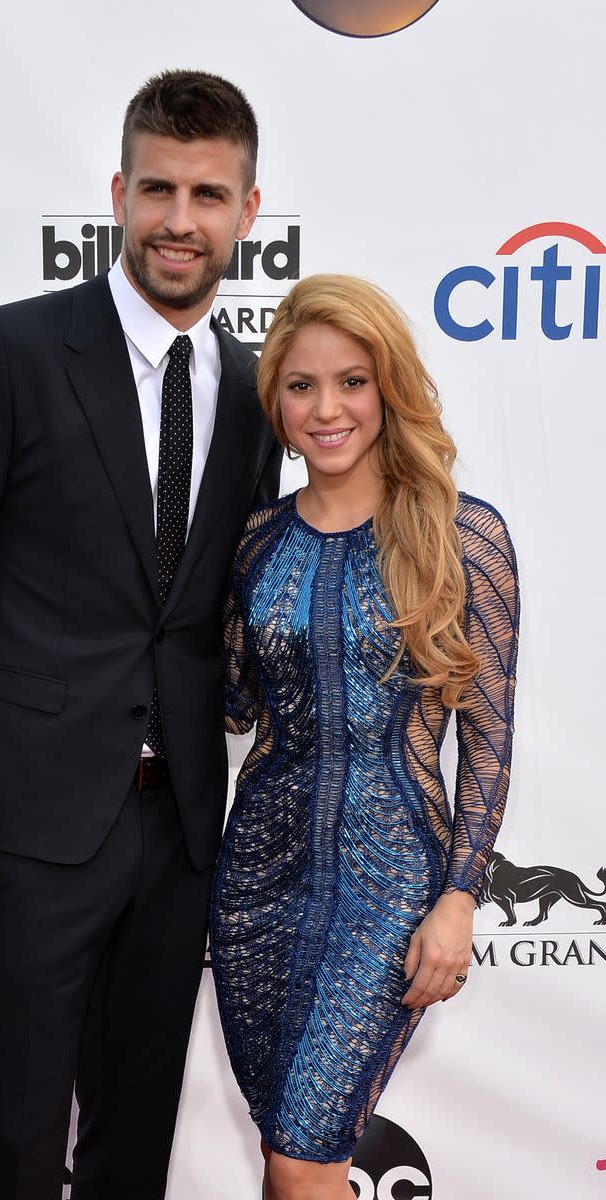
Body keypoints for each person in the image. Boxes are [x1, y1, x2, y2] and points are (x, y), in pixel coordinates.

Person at [0, 70, 281, 1200]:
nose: (178, 221)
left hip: (180, 830)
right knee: (12, 1144)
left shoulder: (259, 393)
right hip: (23, 828)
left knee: (132, 1145)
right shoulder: (6, 353)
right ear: (117, 192)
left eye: (208, 195)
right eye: (157, 189)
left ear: (248, 212)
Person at [209, 275, 519, 1200]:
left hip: (391, 891)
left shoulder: (465, 538)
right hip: (256, 882)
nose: (327, 408)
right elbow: (229, 708)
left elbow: (490, 738)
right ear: (276, 403)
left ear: (389, 387)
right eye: (301, 386)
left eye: (352, 380)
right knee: (290, 1160)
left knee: (304, 1159)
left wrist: (460, 896)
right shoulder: (256, 541)